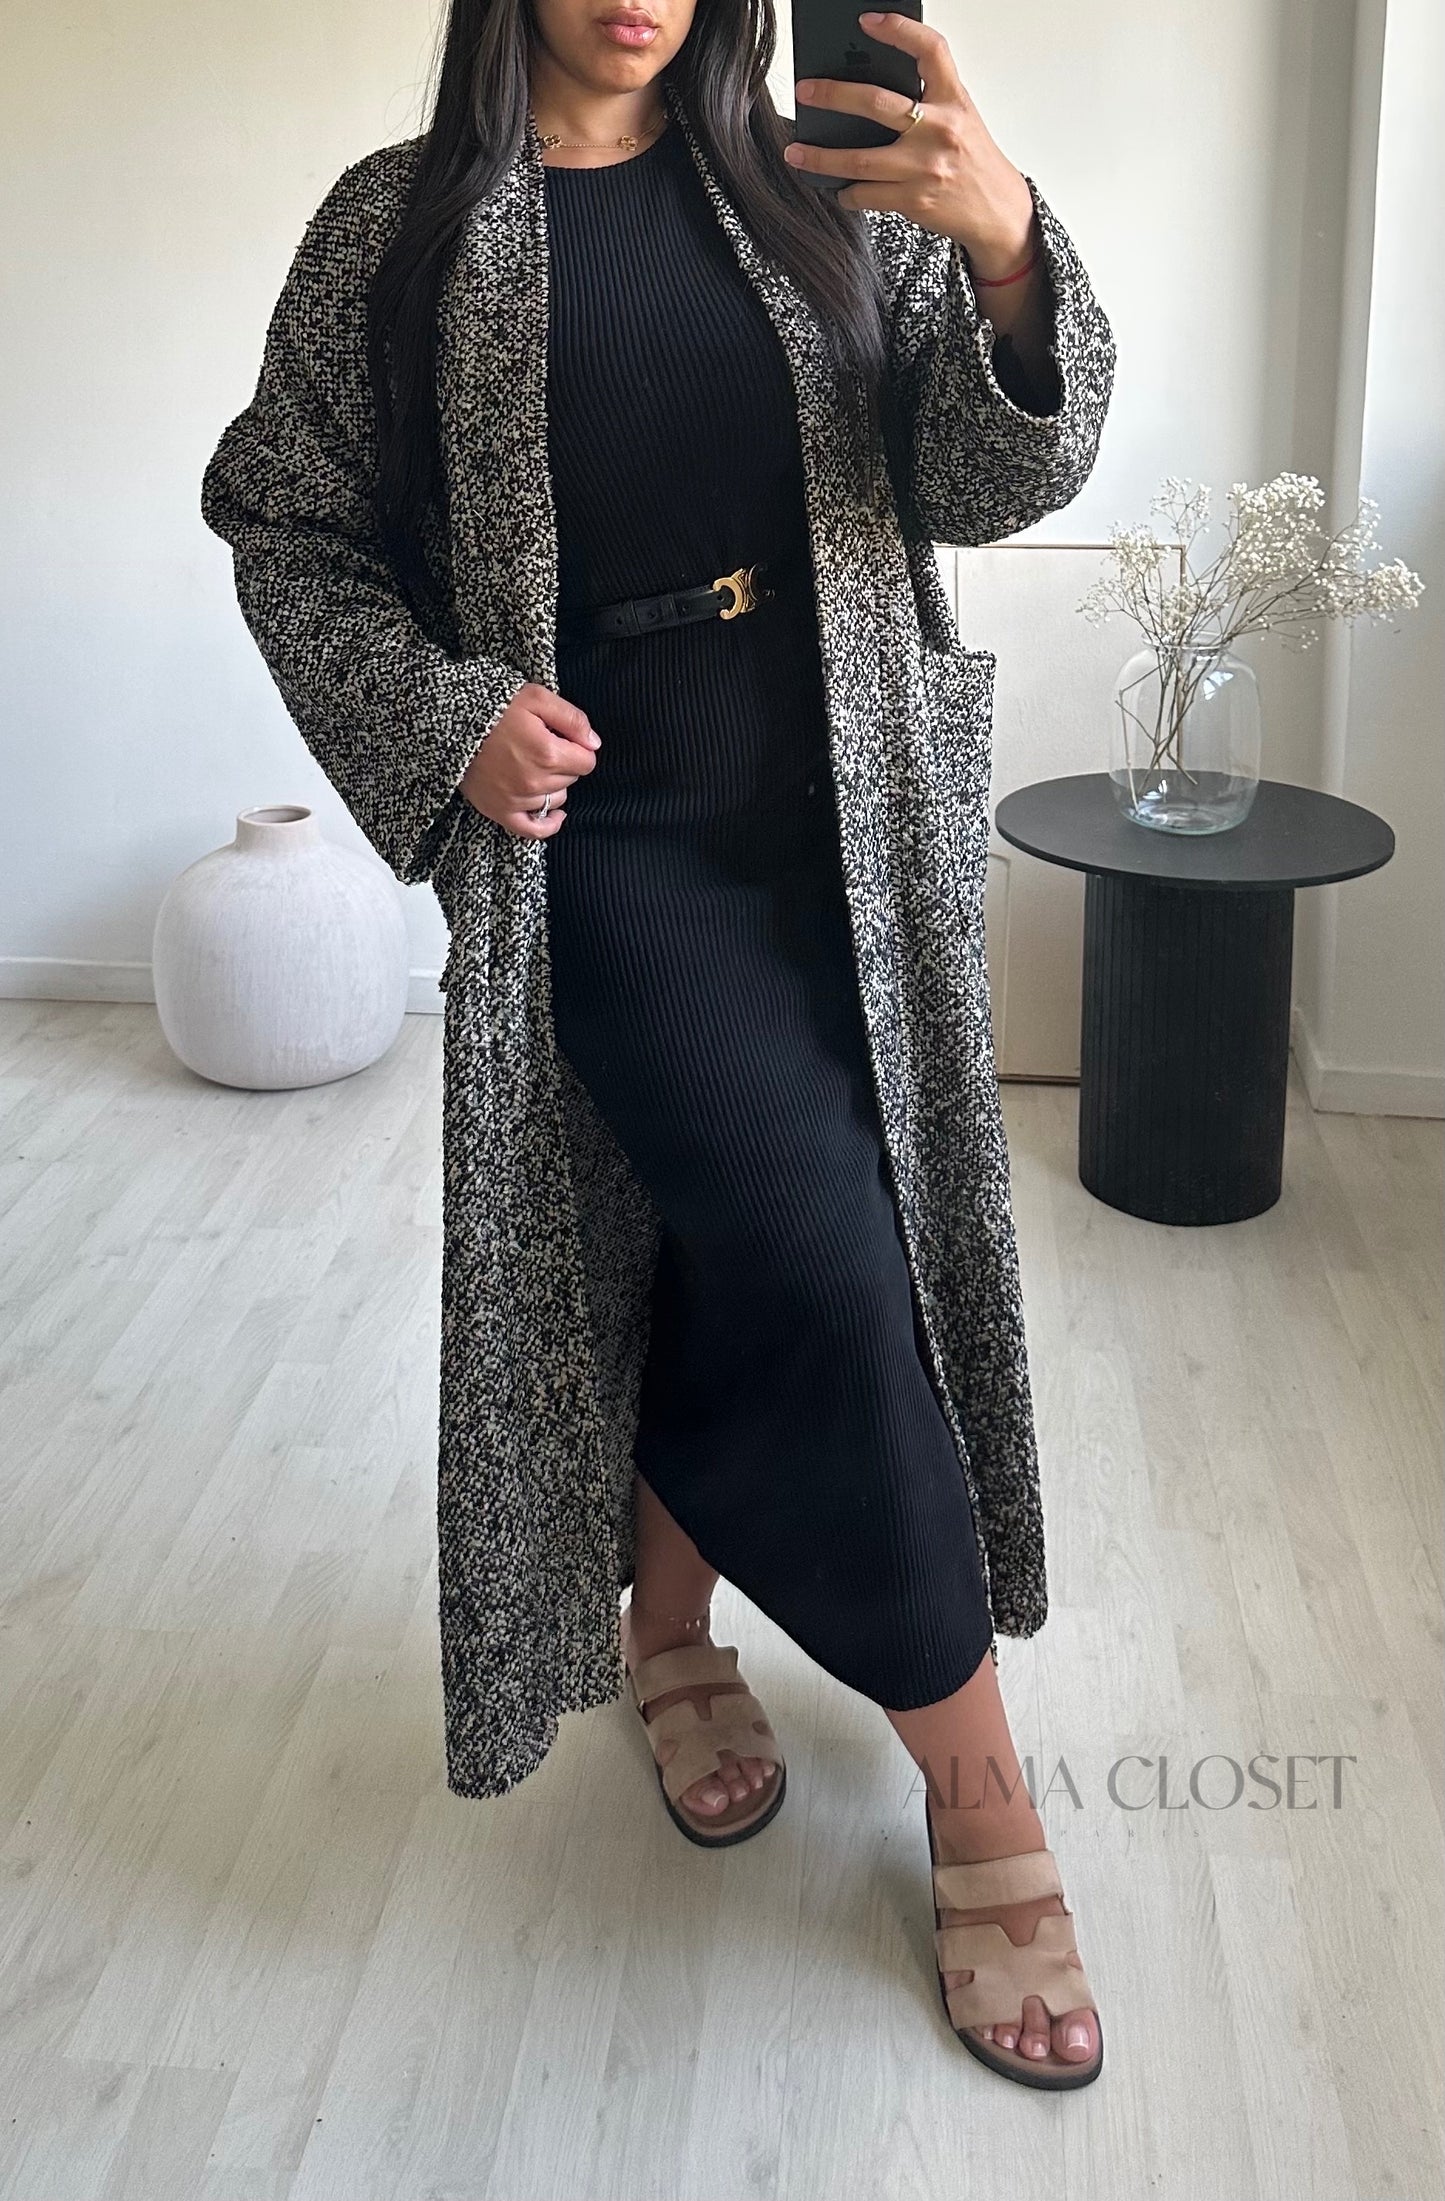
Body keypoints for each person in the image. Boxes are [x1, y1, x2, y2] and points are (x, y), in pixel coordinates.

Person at [202, 0, 1115, 2091]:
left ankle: (673, 1634)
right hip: (603, 848)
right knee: (824, 1264)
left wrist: (1003, 251)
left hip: (845, 822)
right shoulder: (398, 233)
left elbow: (989, 479)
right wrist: (444, 718)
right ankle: (985, 1799)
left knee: (721, 1241)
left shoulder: (823, 192)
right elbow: (285, 523)